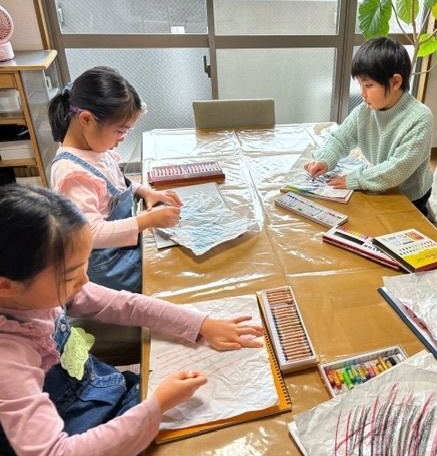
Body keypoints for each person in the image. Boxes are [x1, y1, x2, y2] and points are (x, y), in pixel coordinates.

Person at [0, 184, 264, 455]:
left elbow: (125, 304)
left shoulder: (38, 293)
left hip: (105, 395)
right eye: (70, 276)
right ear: (5, 286)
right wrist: (156, 406)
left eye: (84, 267)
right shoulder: (8, 359)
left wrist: (202, 323)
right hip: (83, 434)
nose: (85, 281)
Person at [49, 66, 181, 293]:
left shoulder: (94, 146)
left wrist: (143, 192)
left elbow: (116, 183)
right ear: (87, 119)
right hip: (110, 269)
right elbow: (92, 234)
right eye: (119, 131)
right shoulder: (72, 175)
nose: (120, 140)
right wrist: (147, 221)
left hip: (124, 247)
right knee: (173, 277)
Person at [304, 37, 433, 217]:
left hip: (408, 196)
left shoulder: (420, 117)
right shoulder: (365, 110)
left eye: (369, 85)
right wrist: (326, 159)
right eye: (360, 85)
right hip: (380, 185)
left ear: (396, 82)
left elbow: (397, 169)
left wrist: (356, 179)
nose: (362, 93)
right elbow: (341, 138)